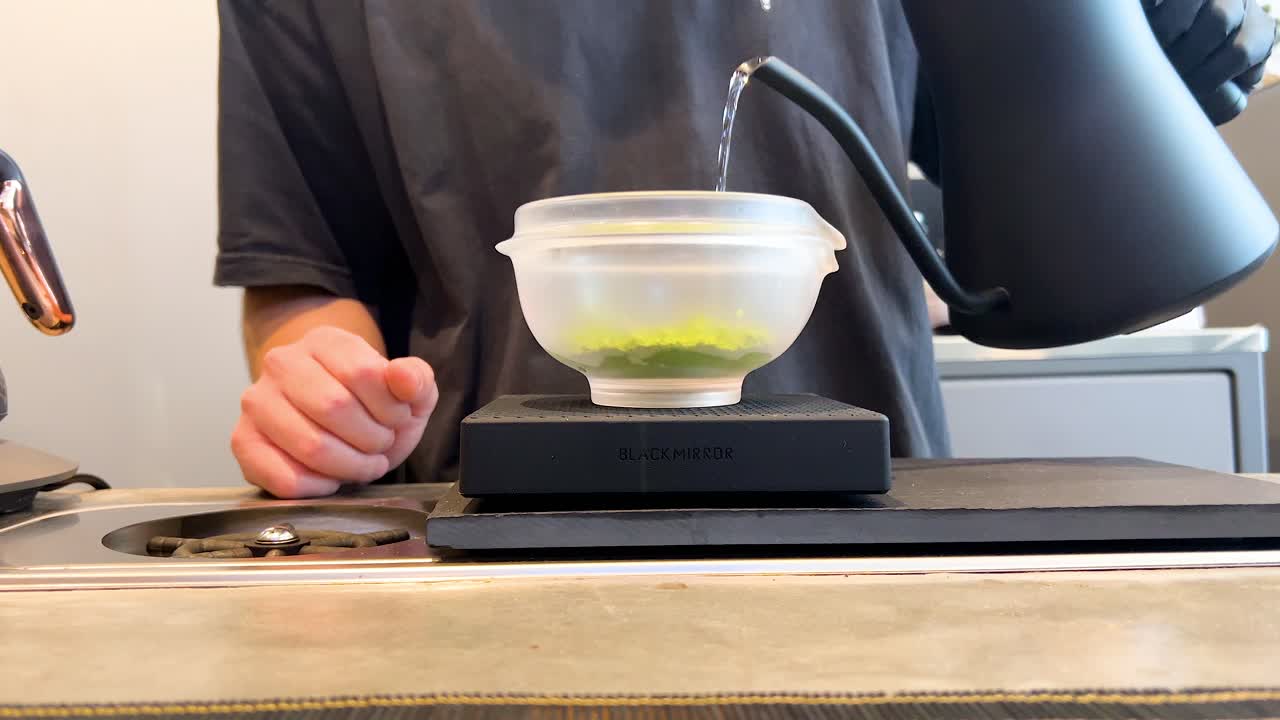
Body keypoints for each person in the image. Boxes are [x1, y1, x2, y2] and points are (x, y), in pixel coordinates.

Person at [216, 0, 1276, 499]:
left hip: (878, 525)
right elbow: (303, 272)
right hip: (481, 539)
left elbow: (1074, 190)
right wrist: (320, 387)